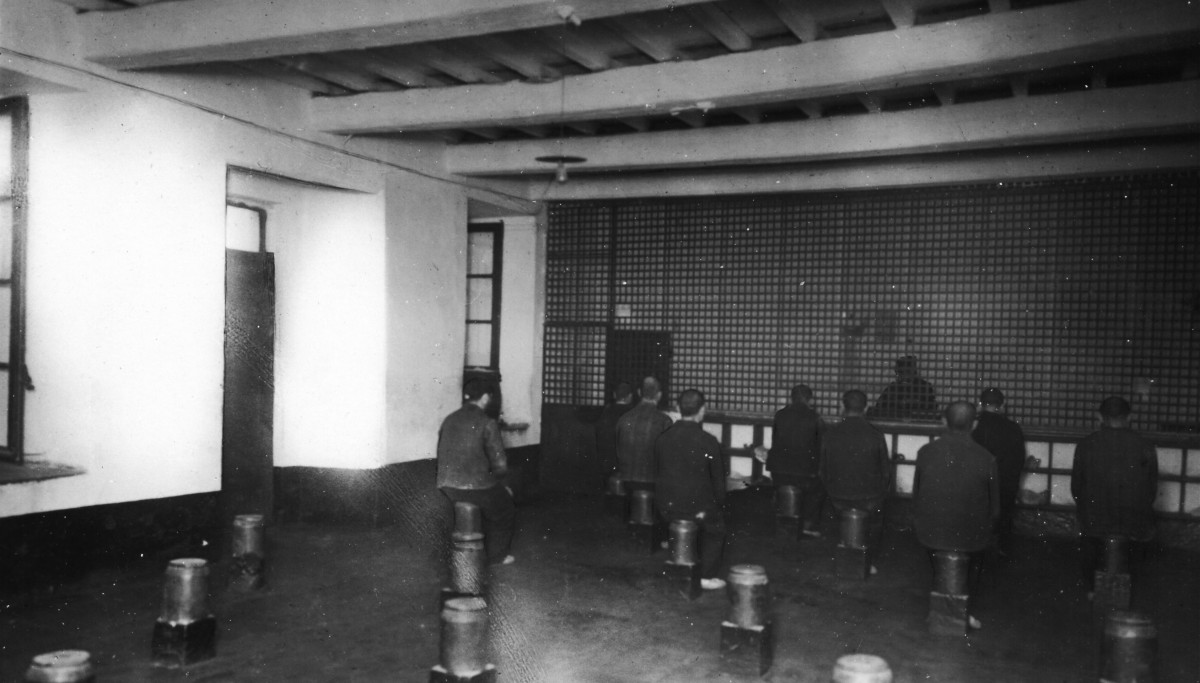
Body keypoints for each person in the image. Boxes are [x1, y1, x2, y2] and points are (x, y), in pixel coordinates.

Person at [912, 401, 999, 629]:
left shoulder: (926, 452)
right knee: (974, 561)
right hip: (972, 538)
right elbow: (995, 508)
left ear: (943, 420)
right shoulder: (987, 458)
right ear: (975, 424)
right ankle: (965, 609)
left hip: (931, 533)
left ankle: (940, 603)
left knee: (938, 556)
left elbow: (917, 496)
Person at [1070, 396, 1158, 592]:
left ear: (1099, 417)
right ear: (1131, 417)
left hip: (1094, 520)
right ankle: (1127, 589)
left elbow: (1076, 488)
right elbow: (1151, 490)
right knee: (1133, 550)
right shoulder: (1145, 446)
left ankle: (1092, 591)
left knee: (1089, 545)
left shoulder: (1085, 445)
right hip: (1133, 522)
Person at [436, 378, 516, 565]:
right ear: (485, 398)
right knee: (505, 510)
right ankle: (498, 556)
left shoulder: (449, 419)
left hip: (446, 486)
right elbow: (500, 465)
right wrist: (502, 484)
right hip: (476, 487)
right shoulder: (487, 422)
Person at [655, 389, 728, 590]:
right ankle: (705, 576)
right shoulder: (708, 441)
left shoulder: (662, 438)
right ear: (702, 410)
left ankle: (678, 557)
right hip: (699, 509)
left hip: (666, 507)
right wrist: (719, 506)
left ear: (678, 409)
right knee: (715, 530)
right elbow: (719, 483)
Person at [758, 384, 824, 537]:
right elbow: (820, 446)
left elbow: (776, 441)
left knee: (782, 491)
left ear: (791, 398)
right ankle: (809, 524)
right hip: (805, 471)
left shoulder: (779, 415)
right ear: (810, 400)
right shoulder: (815, 417)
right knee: (817, 490)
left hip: (779, 470)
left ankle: (783, 520)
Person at [971, 388, 1027, 557]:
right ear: (1003, 405)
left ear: (980, 404)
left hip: (977, 488)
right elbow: (1019, 461)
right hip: (1004, 487)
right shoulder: (1013, 428)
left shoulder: (973, 427)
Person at [820, 389, 891, 517]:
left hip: (837, 497)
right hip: (869, 498)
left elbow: (822, 471)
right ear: (866, 407)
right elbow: (885, 473)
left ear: (842, 406)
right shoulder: (876, 435)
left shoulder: (829, 434)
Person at [615, 376, 673, 495]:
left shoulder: (624, 419)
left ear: (639, 392)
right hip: (653, 483)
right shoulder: (664, 421)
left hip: (626, 482)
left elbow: (618, 451)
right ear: (659, 395)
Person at [868, 355, 937, 420]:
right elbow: (879, 409)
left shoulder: (924, 388)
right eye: (898, 372)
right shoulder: (892, 389)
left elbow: (931, 410)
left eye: (900, 371)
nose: (897, 375)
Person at [595, 381, 635, 486]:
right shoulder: (633, 414)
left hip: (607, 463)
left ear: (614, 395)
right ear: (630, 396)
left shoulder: (605, 412)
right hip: (628, 466)